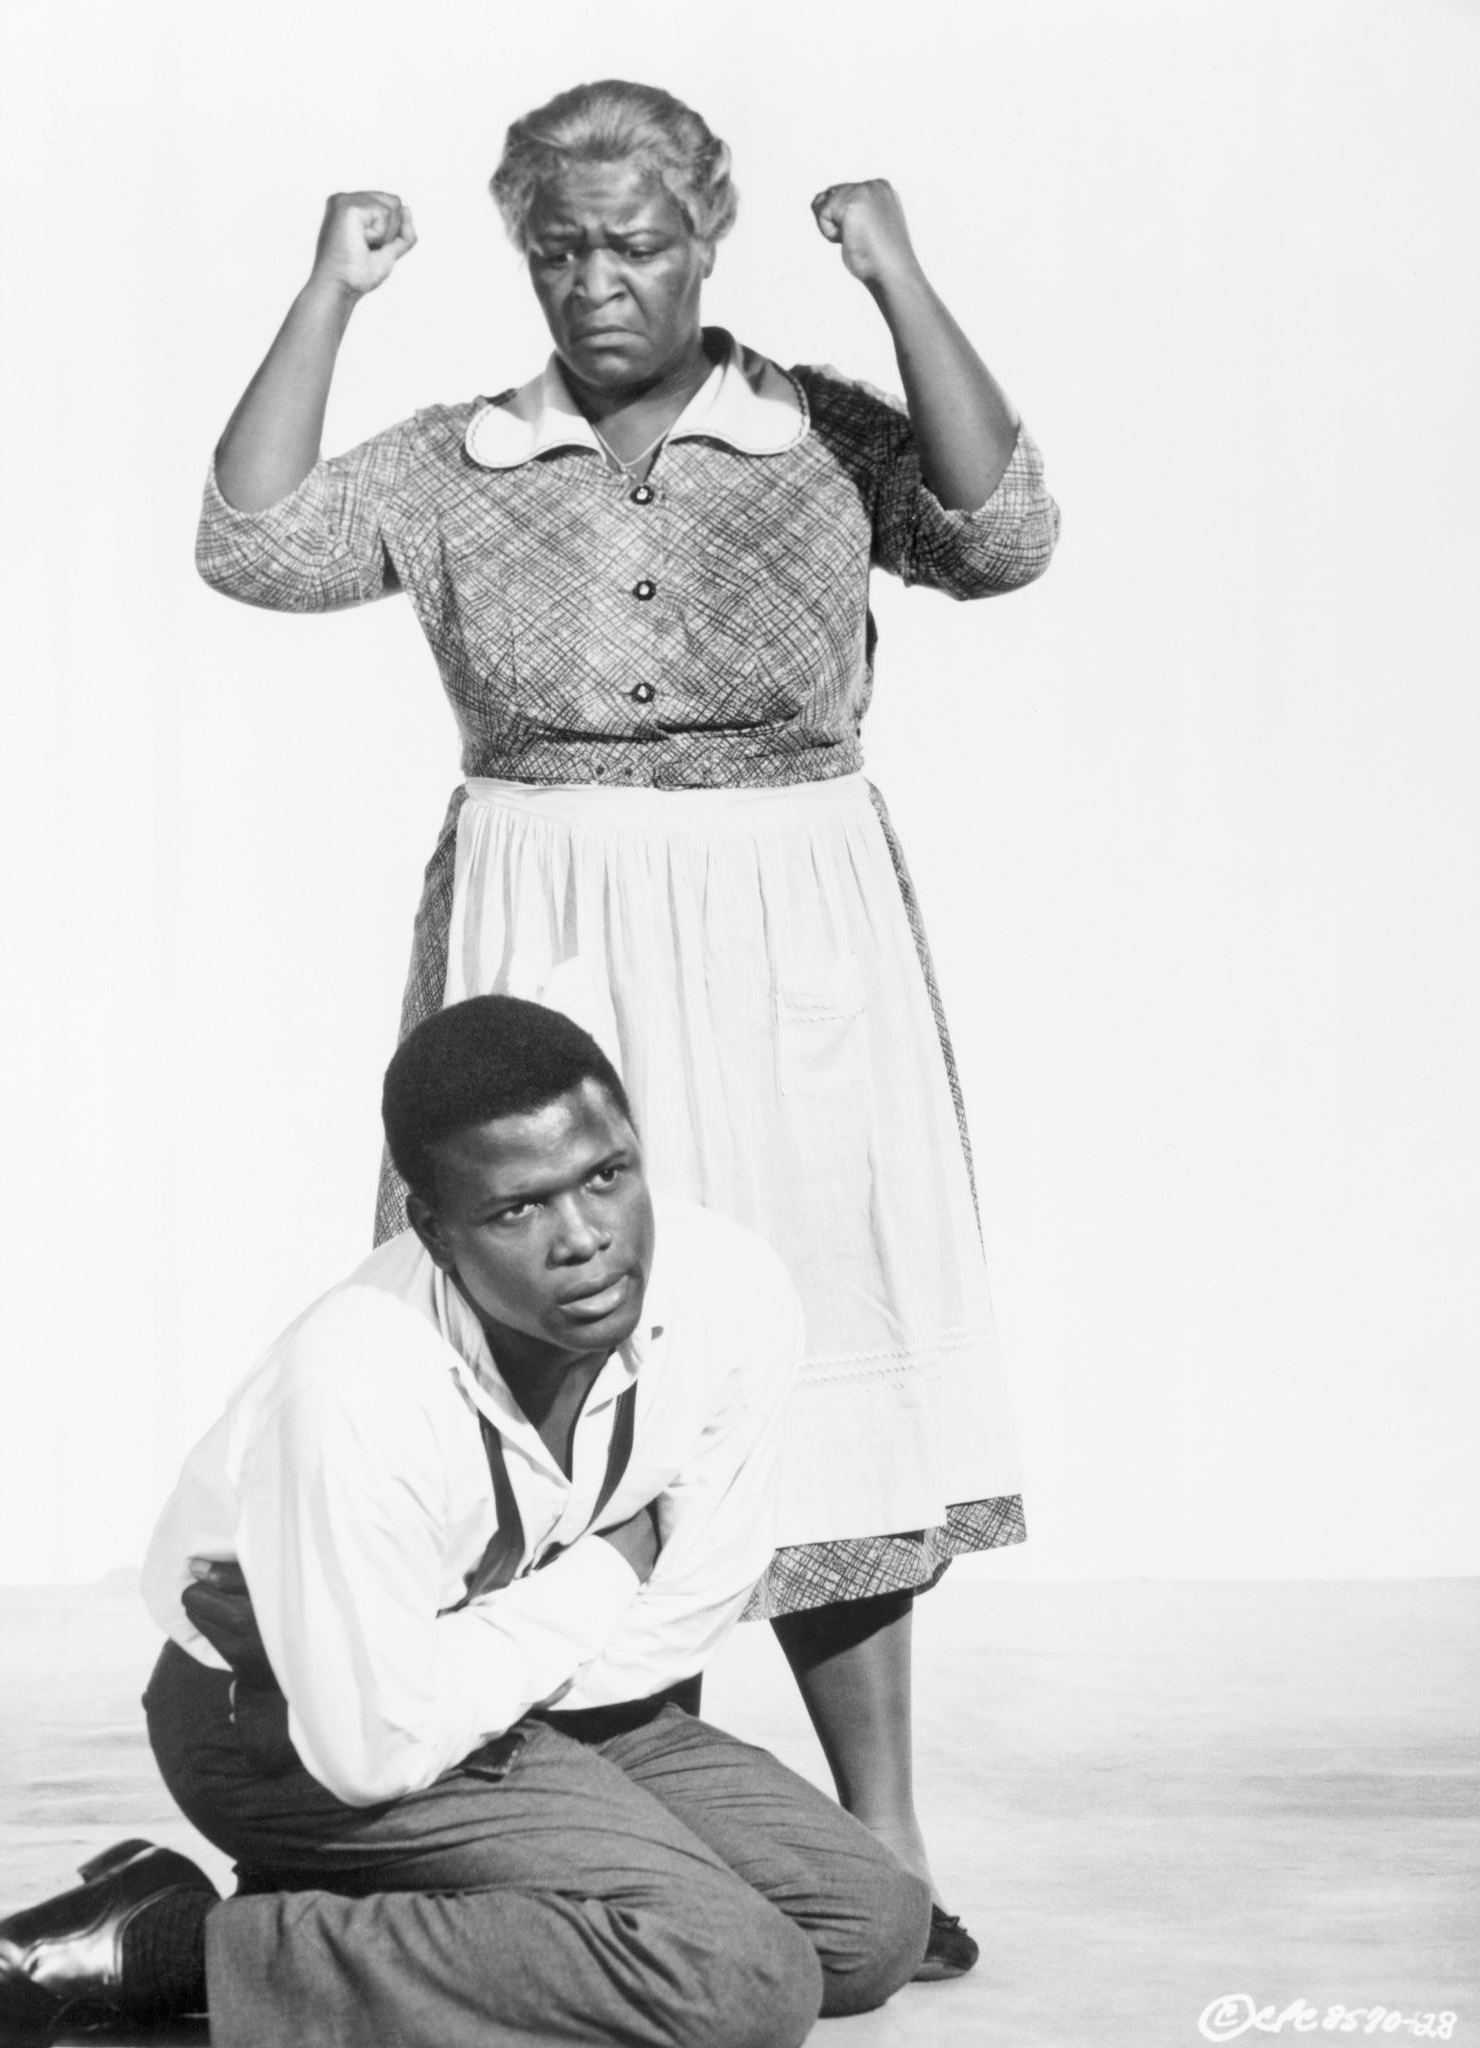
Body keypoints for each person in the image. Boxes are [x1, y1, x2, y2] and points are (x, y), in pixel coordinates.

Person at [196, 78, 1060, 1973]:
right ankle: (531, 1794)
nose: (600, 283)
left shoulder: (814, 431)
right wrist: (327, 292)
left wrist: (903, 274)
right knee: (535, 1348)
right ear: (526, 254)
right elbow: (252, 547)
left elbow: (1000, 534)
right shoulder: (459, 459)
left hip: (788, 904)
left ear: (706, 237)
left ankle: (880, 1850)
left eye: (640, 241)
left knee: (823, 1342)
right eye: (562, 247)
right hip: (543, 898)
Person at [0, 996, 929, 2048]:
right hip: (273, 1720)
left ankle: (398, 1911)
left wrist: (446, 1664)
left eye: (606, 1175)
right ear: (435, 1232)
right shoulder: (356, 1384)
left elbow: (691, 1601)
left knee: (865, 1926)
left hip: (533, 1698)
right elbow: (370, 1745)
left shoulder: (732, 1294)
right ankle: (160, 1947)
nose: (585, 1237)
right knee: (741, 1978)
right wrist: (603, 1570)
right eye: (517, 1210)